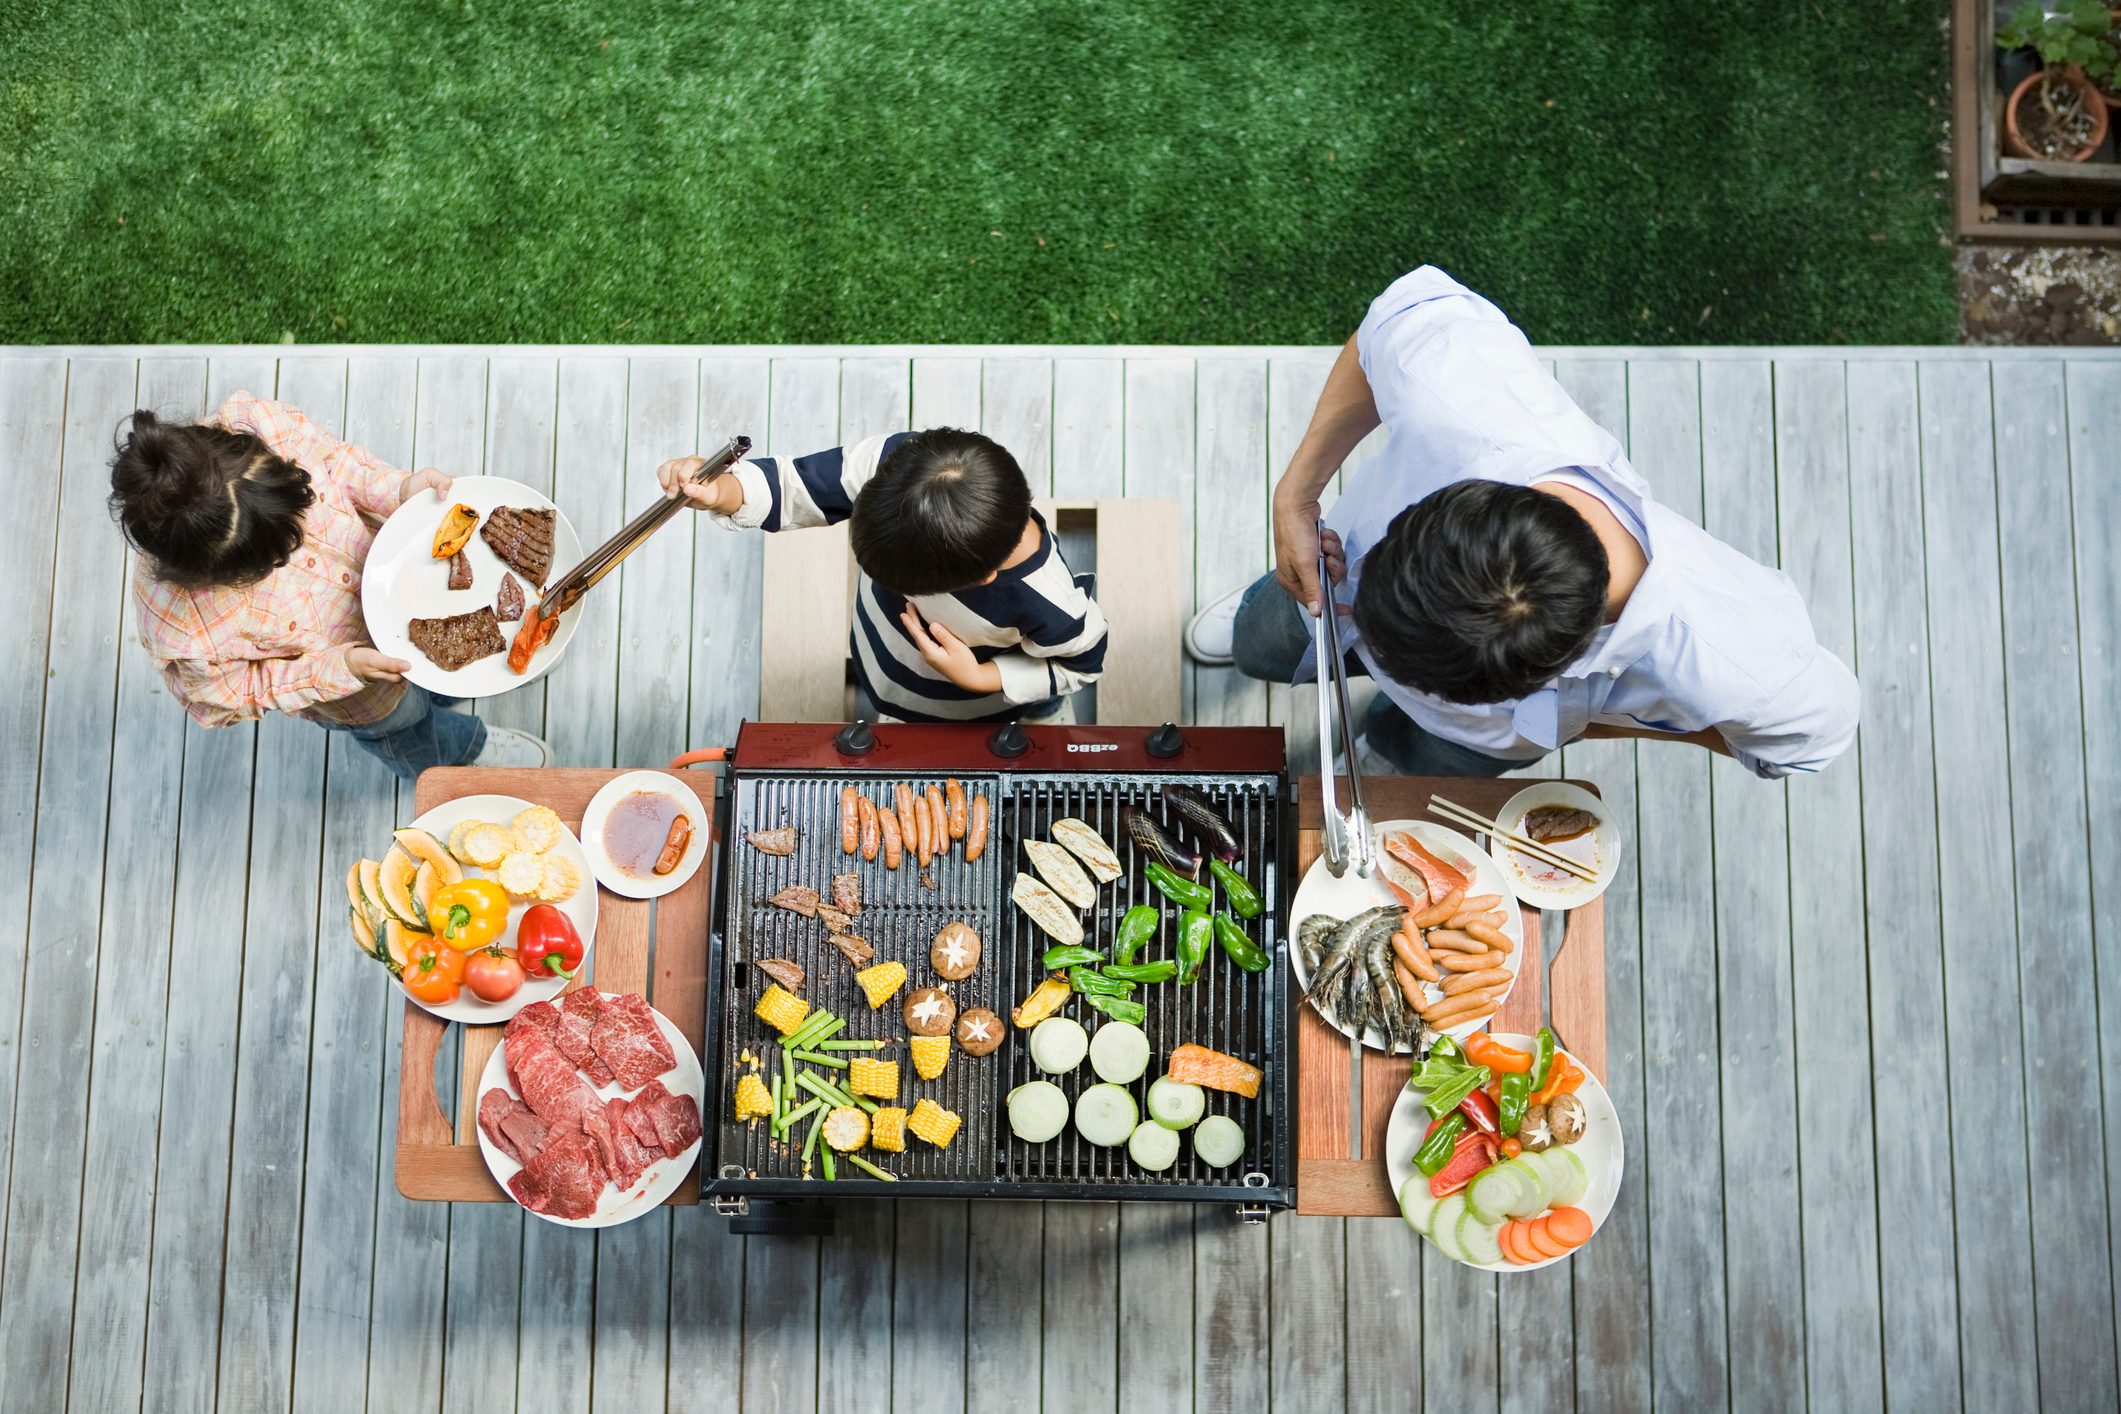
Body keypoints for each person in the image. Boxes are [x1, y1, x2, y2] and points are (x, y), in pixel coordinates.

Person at [1186, 265, 1859, 779]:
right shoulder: (1471, 405)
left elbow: (1807, 742)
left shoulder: (1739, 659)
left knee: (1419, 762)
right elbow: (1394, 321)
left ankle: (1386, 748)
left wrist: (1608, 722)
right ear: (1464, 501)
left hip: (1483, 739)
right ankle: (1264, 632)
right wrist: (1297, 495)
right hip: (1328, 573)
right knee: (1264, 637)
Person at [111, 392, 549, 779]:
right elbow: (235, 692)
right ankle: (461, 747)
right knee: (408, 724)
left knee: (452, 665)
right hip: (364, 690)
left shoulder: (259, 424)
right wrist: (339, 670)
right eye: (276, 558)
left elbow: (339, 464)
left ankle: (453, 690)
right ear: (208, 574)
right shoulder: (183, 631)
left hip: (415, 593)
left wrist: (398, 490)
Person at [659, 428, 1106, 723]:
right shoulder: (900, 464)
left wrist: (977, 678)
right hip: (883, 648)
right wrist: (723, 491)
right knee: (886, 688)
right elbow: (799, 485)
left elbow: (1081, 666)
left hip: (968, 696)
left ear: (983, 578)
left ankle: (1042, 711)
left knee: (1038, 708)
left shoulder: (1051, 606)